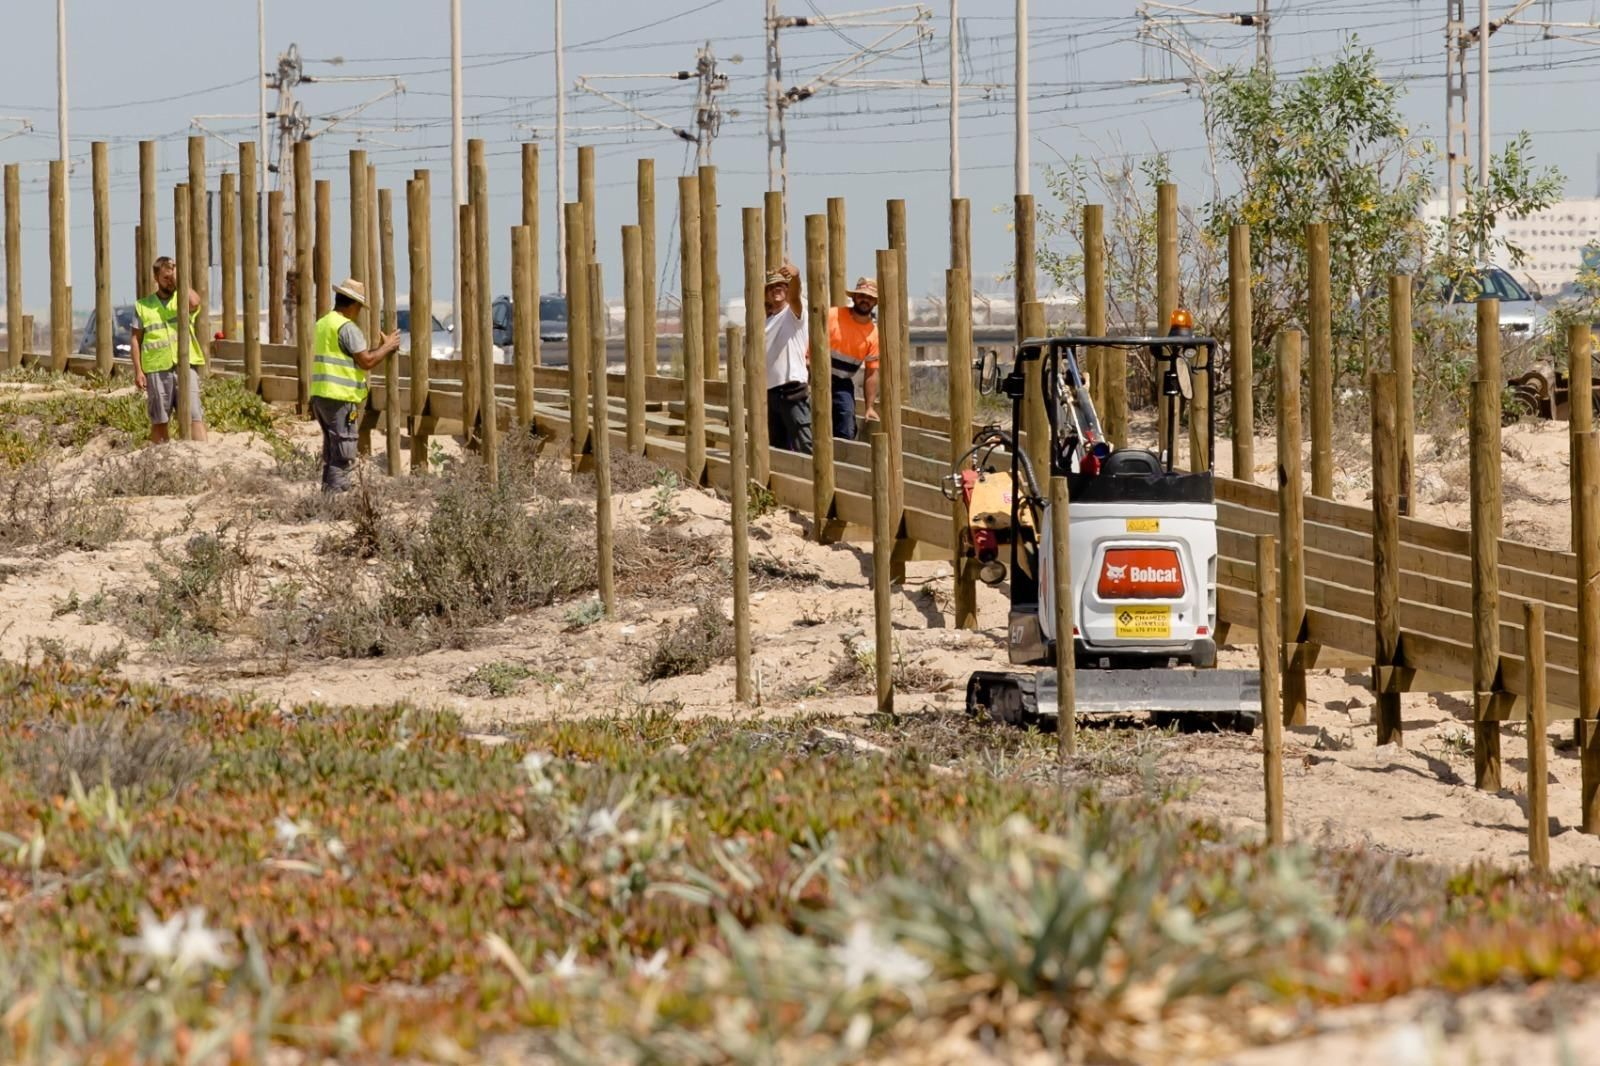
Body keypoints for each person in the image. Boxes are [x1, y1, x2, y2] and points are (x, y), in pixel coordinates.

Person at [310, 279, 401, 492]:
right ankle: (336, 498)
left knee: (332, 451)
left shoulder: (324, 323)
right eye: (359, 307)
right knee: (343, 452)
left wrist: (377, 350)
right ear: (353, 304)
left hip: (321, 396)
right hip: (340, 397)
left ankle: (326, 498)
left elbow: (350, 355)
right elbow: (366, 361)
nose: (359, 312)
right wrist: (387, 347)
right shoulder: (347, 328)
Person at [131, 256, 206, 444]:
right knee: (160, 418)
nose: (170, 281)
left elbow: (195, 302)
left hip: (184, 365)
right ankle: (160, 457)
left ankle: (203, 456)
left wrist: (181, 280)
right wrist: (139, 371)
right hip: (157, 368)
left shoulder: (181, 299)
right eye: (166, 278)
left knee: (194, 414)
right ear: (156, 277)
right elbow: (135, 339)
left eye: (173, 277)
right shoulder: (143, 306)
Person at [764, 261, 811, 454]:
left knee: (805, 441)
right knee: (777, 446)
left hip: (791, 387)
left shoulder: (792, 314)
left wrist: (796, 276)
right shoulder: (766, 322)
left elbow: (796, 296)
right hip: (771, 390)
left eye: (781, 286)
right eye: (772, 287)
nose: (777, 290)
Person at [826, 276, 880, 440]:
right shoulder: (833, 315)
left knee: (846, 423)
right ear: (854, 297)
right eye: (862, 296)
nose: (865, 300)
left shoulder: (873, 334)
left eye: (870, 298)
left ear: (874, 303)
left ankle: (841, 462)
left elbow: (871, 373)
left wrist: (869, 407)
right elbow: (809, 340)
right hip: (815, 376)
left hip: (842, 382)